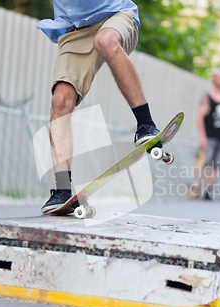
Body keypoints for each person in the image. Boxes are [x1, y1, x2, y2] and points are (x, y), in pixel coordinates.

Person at [37, 2, 160, 213]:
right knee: (60, 100)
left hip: (116, 16)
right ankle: (63, 189)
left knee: (105, 41)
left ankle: (146, 125)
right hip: (74, 28)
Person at [197, 69, 220, 200]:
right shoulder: (207, 97)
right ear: (214, 79)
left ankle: (210, 189)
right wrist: (202, 136)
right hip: (210, 136)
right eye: (217, 78)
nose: (219, 80)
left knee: (216, 164)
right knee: (206, 162)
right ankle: (199, 187)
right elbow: (200, 116)